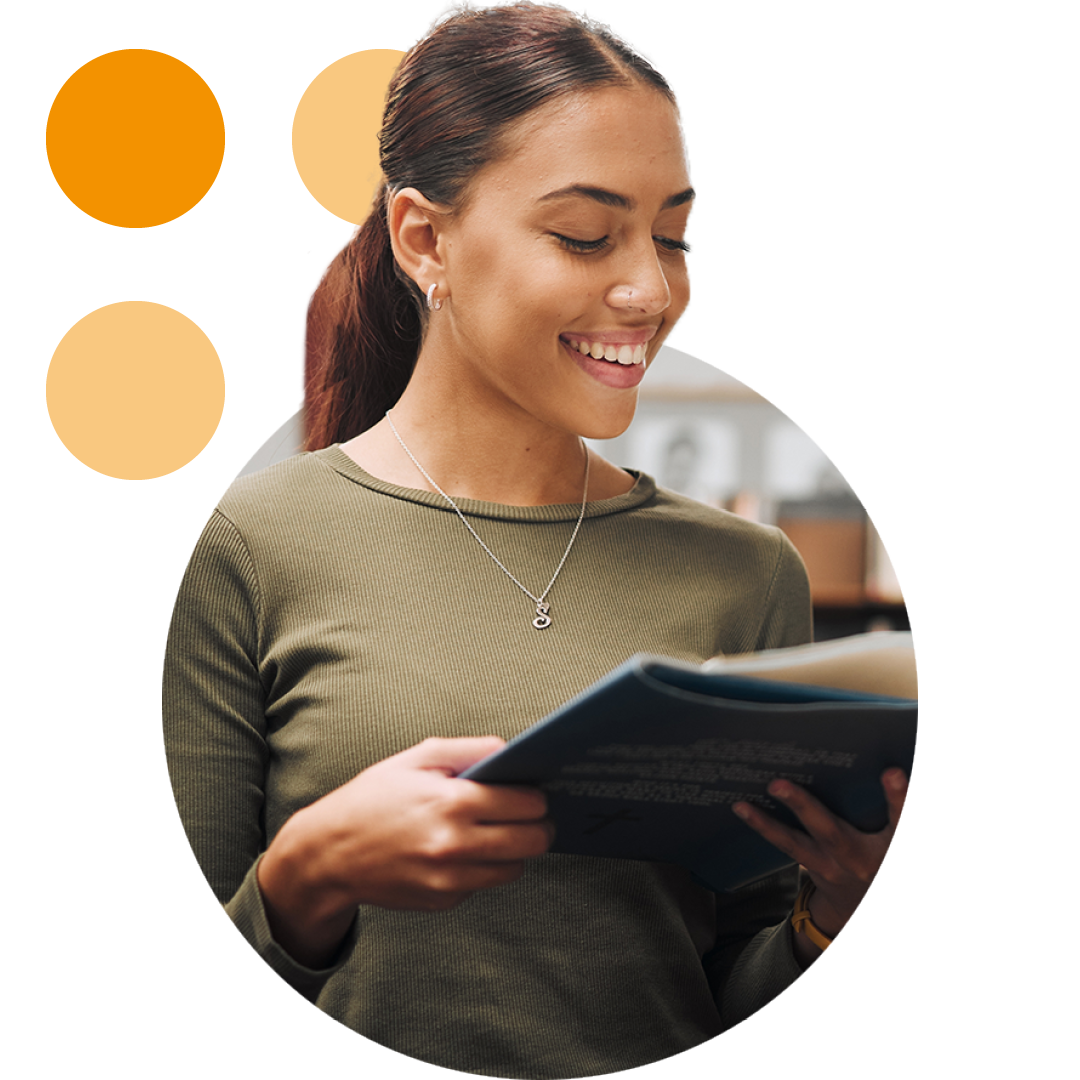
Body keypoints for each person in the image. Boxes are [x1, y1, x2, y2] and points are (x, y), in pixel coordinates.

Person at [163, 6, 907, 1078]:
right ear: (426, 238)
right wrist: (311, 873)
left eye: (672, 235)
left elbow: (729, 998)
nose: (650, 289)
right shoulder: (253, 547)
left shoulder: (745, 577)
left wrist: (830, 921)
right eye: (586, 235)